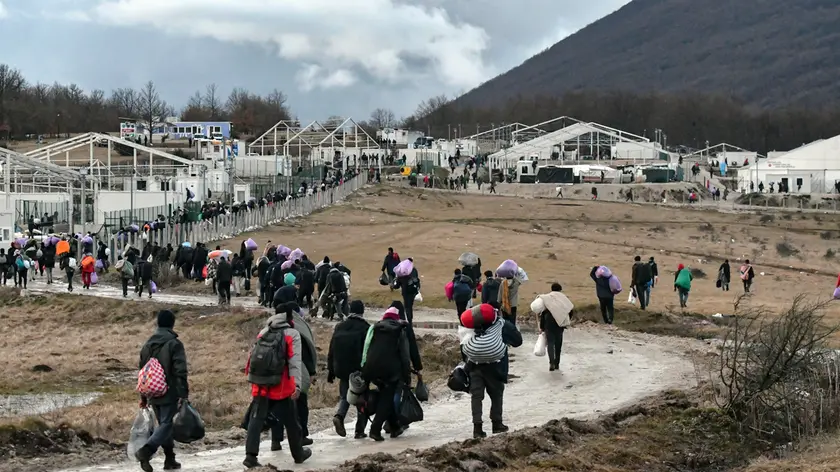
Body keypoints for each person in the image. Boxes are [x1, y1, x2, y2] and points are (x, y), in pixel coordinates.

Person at [243, 303, 312, 467]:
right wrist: (296, 385)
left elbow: (252, 357)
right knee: (292, 422)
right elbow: (295, 362)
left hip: (260, 386)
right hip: (281, 387)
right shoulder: (292, 334)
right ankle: (298, 454)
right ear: (289, 317)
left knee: (256, 420)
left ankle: (250, 456)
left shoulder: (264, 332)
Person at [135, 310, 189, 472]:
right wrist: (183, 394)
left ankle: (170, 459)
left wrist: (143, 396)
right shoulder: (174, 344)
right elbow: (181, 371)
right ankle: (147, 450)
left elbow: (142, 373)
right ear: (172, 324)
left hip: (151, 391)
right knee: (166, 424)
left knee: (163, 425)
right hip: (169, 391)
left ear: (158, 323)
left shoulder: (147, 345)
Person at [459, 304, 522, 438]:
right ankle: (497, 424)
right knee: (496, 395)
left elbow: (464, 345)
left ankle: (477, 428)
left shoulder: (471, 326)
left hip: (474, 366)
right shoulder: (503, 325)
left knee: (476, 397)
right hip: (496, 366)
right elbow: (518, 341)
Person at [361, 307, 412, 441]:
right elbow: (405, 356)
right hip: (390, 371)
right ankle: (375, 429)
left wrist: (365, 370)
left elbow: (367, 348)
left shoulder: (375, 328)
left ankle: (395, 426)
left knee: (385, 396)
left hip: (372, 368)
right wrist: (407, 377)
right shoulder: (399, 331)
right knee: (386, 399)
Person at [274, 302, 317, 447]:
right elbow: (304, 354)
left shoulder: (270, 328)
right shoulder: (296, 329)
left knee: (277, 407)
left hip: (275, 375)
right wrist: (311, 372)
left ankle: (276, 440)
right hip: (294, 374)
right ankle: (301, 436)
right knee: (300, 406)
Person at [328, 300, 371, 439]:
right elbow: (368, 350)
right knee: (361, 398)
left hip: (340, 367)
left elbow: (332, 349)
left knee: (345, 396)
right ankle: (359, 430)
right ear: (362, 311)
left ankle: (339, 416)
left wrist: (331, 370)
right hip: (358, 369)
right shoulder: (365, 327)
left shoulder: (340, 326)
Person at [531, 283, 574, 372]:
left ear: (552, 289)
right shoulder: (563, 298)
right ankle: (557, 363)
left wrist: (542, 327)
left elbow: (542, 313)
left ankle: (551, 363)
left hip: (548, 322)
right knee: (558, 343)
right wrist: (567, 320)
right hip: (560, 322)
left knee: (550, 343)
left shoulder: (547, 298)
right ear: (560, 289)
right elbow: (570, 309)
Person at [395, 258, 420, 323]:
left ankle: (409, 321)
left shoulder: (402, 272)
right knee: (410, 306)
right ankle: (410, 319)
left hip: (406, 292)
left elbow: (397, 285)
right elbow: (417, 279)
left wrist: (394, 285)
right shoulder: (414, 270)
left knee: (407, 307)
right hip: (413, 291)